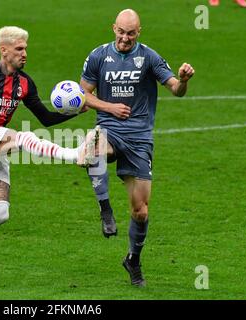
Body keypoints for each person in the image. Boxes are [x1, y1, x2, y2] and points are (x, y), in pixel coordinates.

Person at [0, 26, 95, 286]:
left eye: (25, 49)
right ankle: (75, 154)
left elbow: (45, 118)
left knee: (0, 213)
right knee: (20, 137)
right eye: (19, 49)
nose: (24, 54)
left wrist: (74, 112)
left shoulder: (25, 83)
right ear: (4, 50)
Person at [80, 9, 195, 287]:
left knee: (140, 211)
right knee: (90, 152)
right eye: (121, 32)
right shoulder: (98, 56)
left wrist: (184, 79)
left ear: (139, 32)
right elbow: (82, 97)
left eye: (130, 33)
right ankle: (105, 209)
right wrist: (110, 108)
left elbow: (175, 90)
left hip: (140, 138)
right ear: (113, 28)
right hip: (108, 128)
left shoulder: (149, 57)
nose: (125, 38)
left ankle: (132, 259)